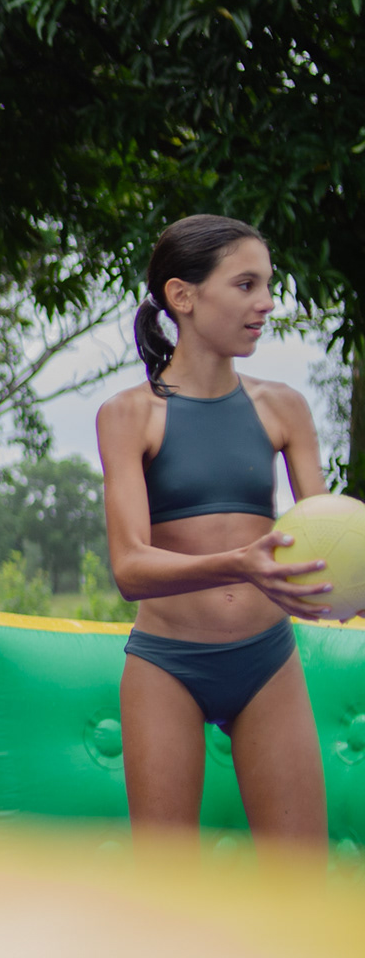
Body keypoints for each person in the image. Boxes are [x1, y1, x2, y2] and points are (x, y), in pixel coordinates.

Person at [96, 214, 331, 846]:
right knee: (168, 887)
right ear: (183, 295)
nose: (267, 302)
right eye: (247, 284)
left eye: (269, 284)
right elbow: (130, 568)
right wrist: (239, 563)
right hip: (167, 666)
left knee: (300, 885)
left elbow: (326, 537)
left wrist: (344, 587)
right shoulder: (129, 415)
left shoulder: (284, 407)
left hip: (268, 660)